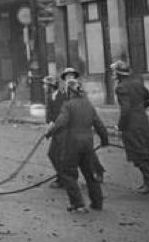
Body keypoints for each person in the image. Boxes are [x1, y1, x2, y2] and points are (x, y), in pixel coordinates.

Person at [45, 77, 109, 213]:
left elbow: (61, 122)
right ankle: (97, 202)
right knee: (89, 174)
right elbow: (99, 125)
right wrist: (104, 140)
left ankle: (78, 203)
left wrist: (50, 132)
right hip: (87, 144)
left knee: (68, 174)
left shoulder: (68, 105)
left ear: (69, 91)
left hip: (72, 144)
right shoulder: (89, 105)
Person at [111, 60, 149, 193]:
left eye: (115, 72)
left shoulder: (121, 88)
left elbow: (125, 110)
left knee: (138, 152)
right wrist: (140, 108)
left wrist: (119, 126)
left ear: (119, 74)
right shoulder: (138, 84)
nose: (113, 75)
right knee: (143, 151)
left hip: (131, 125)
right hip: (142, 121)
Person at [60, 66, 105, 183]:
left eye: (72, 75)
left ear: (75, 77)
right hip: (67, 125)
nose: (69, 77)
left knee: (88, 153)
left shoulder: (79, 91)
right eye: (67, 76)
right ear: (64, 78)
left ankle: (98, 171)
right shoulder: (63, 91)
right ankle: (66, 177)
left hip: (78, 123)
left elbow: (84, 105)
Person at [43, 76, 65, 187]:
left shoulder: (63, 97)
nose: (44, 87)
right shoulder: (49, 97)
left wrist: (51, 128)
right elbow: (49, 117)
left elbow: (63, 116)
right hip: (56, 132)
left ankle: (64, 180)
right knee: (53, 154)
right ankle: (62, 178)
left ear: (51, 86)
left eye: (45, 85)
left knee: (59, 155)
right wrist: (49, 128)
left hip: (64, 131)